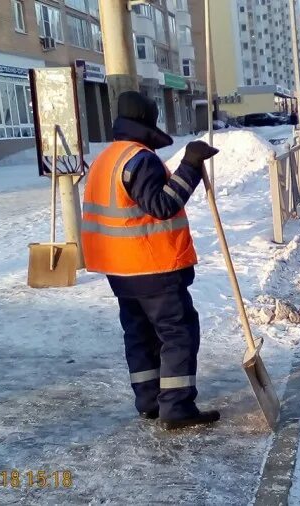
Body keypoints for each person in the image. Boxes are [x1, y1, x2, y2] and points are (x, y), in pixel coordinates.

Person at [81, 91, 221, 431]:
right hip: (152, 267)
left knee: (140, 334)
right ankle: (175, 406)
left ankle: (148, 400)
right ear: (147, 121)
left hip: (120, 269)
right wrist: (189, 165)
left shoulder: (106, 158)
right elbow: (161, 205)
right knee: (177, 333)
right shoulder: (139, 159)